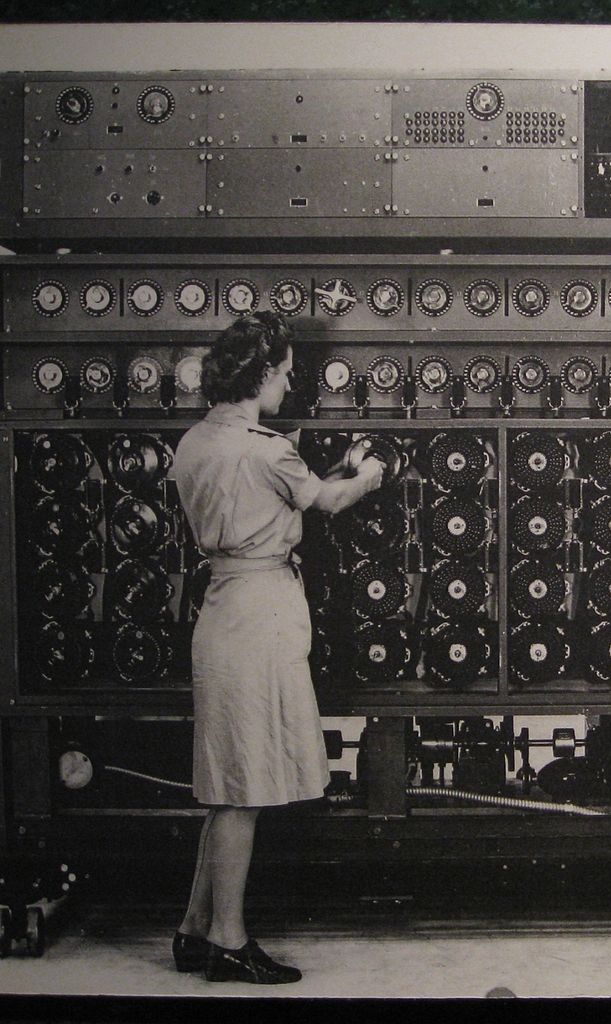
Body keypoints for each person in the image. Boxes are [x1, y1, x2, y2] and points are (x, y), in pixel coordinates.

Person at [169, 312, 384, 984]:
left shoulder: (197, 441)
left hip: (220, 611)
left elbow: (265, 491)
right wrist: (368, 473)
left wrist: (326, 468)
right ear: (261, 372)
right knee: (245, 789)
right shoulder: (267, 448)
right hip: (261, 615)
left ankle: (193, 929)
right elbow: (325, 502)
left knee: (226, 784)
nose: (290, 385)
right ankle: (229, 942)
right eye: (287, 373)